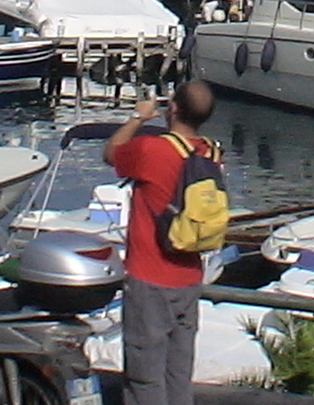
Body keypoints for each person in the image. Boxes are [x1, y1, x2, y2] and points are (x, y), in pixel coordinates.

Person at [105, 81, 218, 405]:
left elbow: (111, 153)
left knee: (145, 378)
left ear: (174, 108)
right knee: (178, 374)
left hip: (150, 277)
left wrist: (138, 117)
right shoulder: (211, 152)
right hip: (189, 277)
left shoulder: (151, 149)